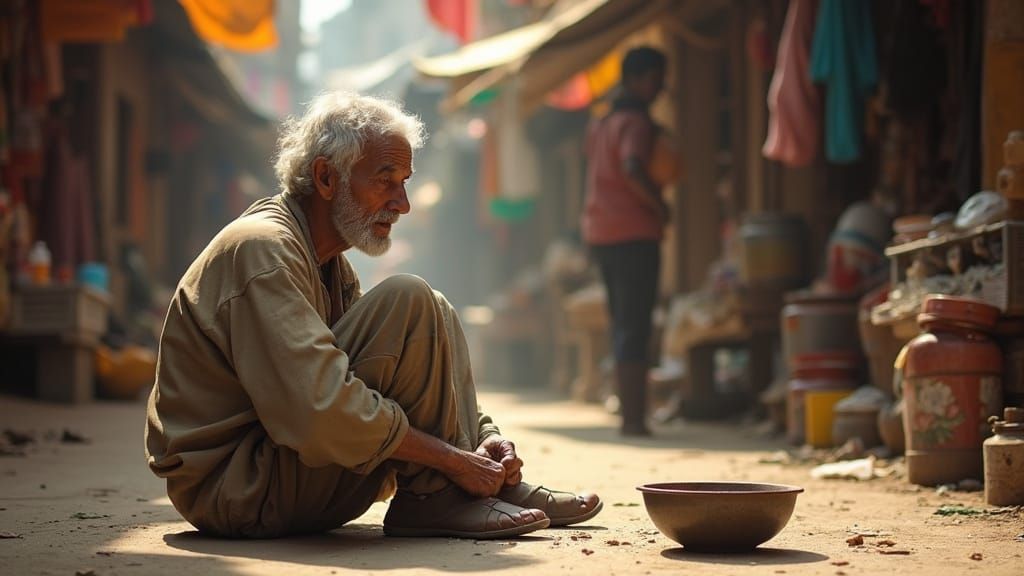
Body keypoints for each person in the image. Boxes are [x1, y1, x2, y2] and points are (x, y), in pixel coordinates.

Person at [145, 93, 602, 539]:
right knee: (411, 298)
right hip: (239, 490)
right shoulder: (263, 249)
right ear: (326, 178)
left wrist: (484, 438)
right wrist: (451, 461)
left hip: (279, 471)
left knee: (432, 308)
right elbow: (317, 411)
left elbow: (403, 372)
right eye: (386, 180)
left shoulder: (328, 262)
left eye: (405, 182)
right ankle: (435, 496)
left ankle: (484, 481)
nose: (402, 203)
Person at [582, 46, 669, 436]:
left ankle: (629, 413)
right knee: (635, 323)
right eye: (656, 79)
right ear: (639, 78)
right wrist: (660, 204)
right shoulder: (634, 121)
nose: (661, 88)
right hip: (633, 231)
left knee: (622, 322)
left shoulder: (602, 121)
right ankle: (634, 418)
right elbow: (633, 167)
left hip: (601, 232)